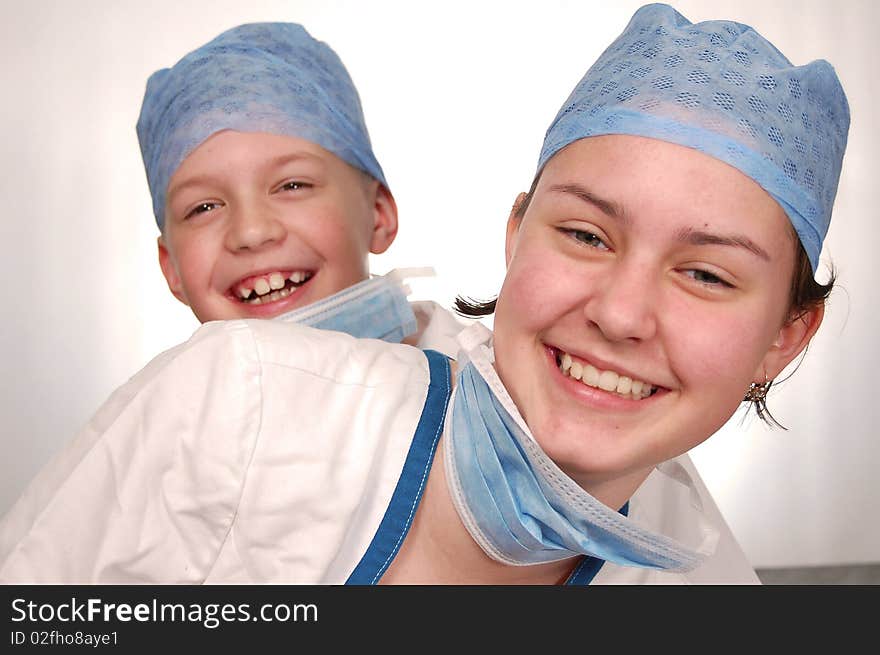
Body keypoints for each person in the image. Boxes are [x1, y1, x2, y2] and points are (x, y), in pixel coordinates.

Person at [0, 3, 849, 584]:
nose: (621, 313)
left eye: (706, 273)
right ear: (515, 235)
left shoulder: (701, 571)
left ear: (788, 334)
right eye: (587, 234)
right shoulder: (236, 394)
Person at [138, 21, 462, 352]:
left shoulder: (478, 389)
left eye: (292, 185)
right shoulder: (157, 403)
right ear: (171, 267)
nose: (251, 232)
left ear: (377, 214)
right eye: (203, 207)